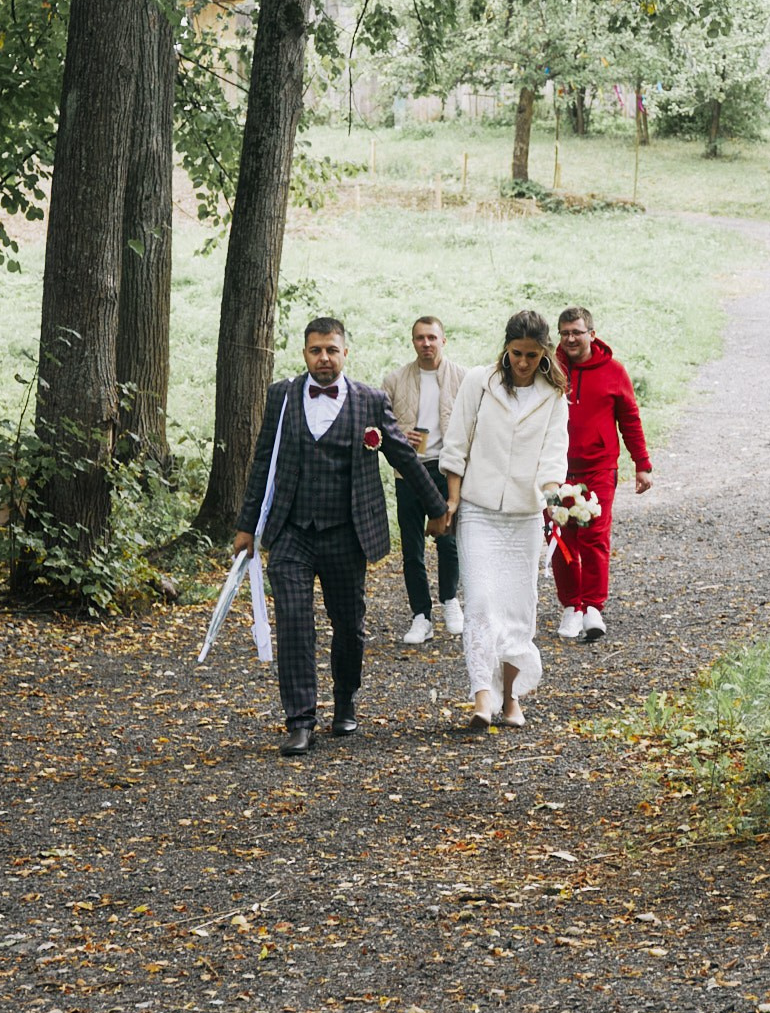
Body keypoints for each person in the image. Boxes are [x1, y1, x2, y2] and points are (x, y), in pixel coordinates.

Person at [234, 317, 448, 756]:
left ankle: (346, 700)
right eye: (316, 350)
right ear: (305, 354)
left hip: (346, 533)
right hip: (291, 531)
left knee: (348, 625)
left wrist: (437, 508)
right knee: (294, 623)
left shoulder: (369, 399)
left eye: (332, 350)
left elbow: (403, 456)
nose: (324, 358)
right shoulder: (282, 395)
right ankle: (300, 720)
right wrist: (246, 525)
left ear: (345, 352)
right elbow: (263, 462)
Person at [436, 311, 571, 732]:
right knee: (479, 601)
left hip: (524, 515)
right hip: (478, 510)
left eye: (532, 355)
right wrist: (453, 500)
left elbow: (554, 452)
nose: (524, 363)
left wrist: (554, 497)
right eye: (517, 354)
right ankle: (482, 697)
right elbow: (457, 442)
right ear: (506, 348)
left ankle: (510, 698)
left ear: (545, 353)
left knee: (517, 608)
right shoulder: (480, 381)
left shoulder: (554, 395)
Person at [552, 305, 652, 643]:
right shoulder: (551, 371)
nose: (570, 339)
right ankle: (571, 607)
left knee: (594, 535)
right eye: (565, 333)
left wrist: (642, 464)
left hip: (599, 467)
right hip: (559, 468)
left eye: (577, 332)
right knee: (563, 538)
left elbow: (630, 418)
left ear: (591, 334)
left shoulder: (613, 371)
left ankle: (593, 606)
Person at [380, 316, 467, 645]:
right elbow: (378, 429)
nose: (426, 343)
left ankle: (450, 602)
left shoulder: (462, 378)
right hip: (409, 471)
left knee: (448, 541)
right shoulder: (395, 380)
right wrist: (400, 435)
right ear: (413, 341)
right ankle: (421, 615)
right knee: (412, 547)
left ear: (443, 340)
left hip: (446, 469)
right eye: (420, 338)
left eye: (432, 337)